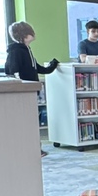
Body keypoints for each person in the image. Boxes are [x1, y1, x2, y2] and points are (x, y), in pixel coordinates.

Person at [4, 21, 59, 157]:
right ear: (25, 35)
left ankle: (35, 148)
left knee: (32, 120)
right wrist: (21, 86)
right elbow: (12, 70)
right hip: (23, 91)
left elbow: (36, 68)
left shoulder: (26, 50)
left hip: (31, 90)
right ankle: (30, 148)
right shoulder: (16, 51)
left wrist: (52, 66)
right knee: (27, 121)